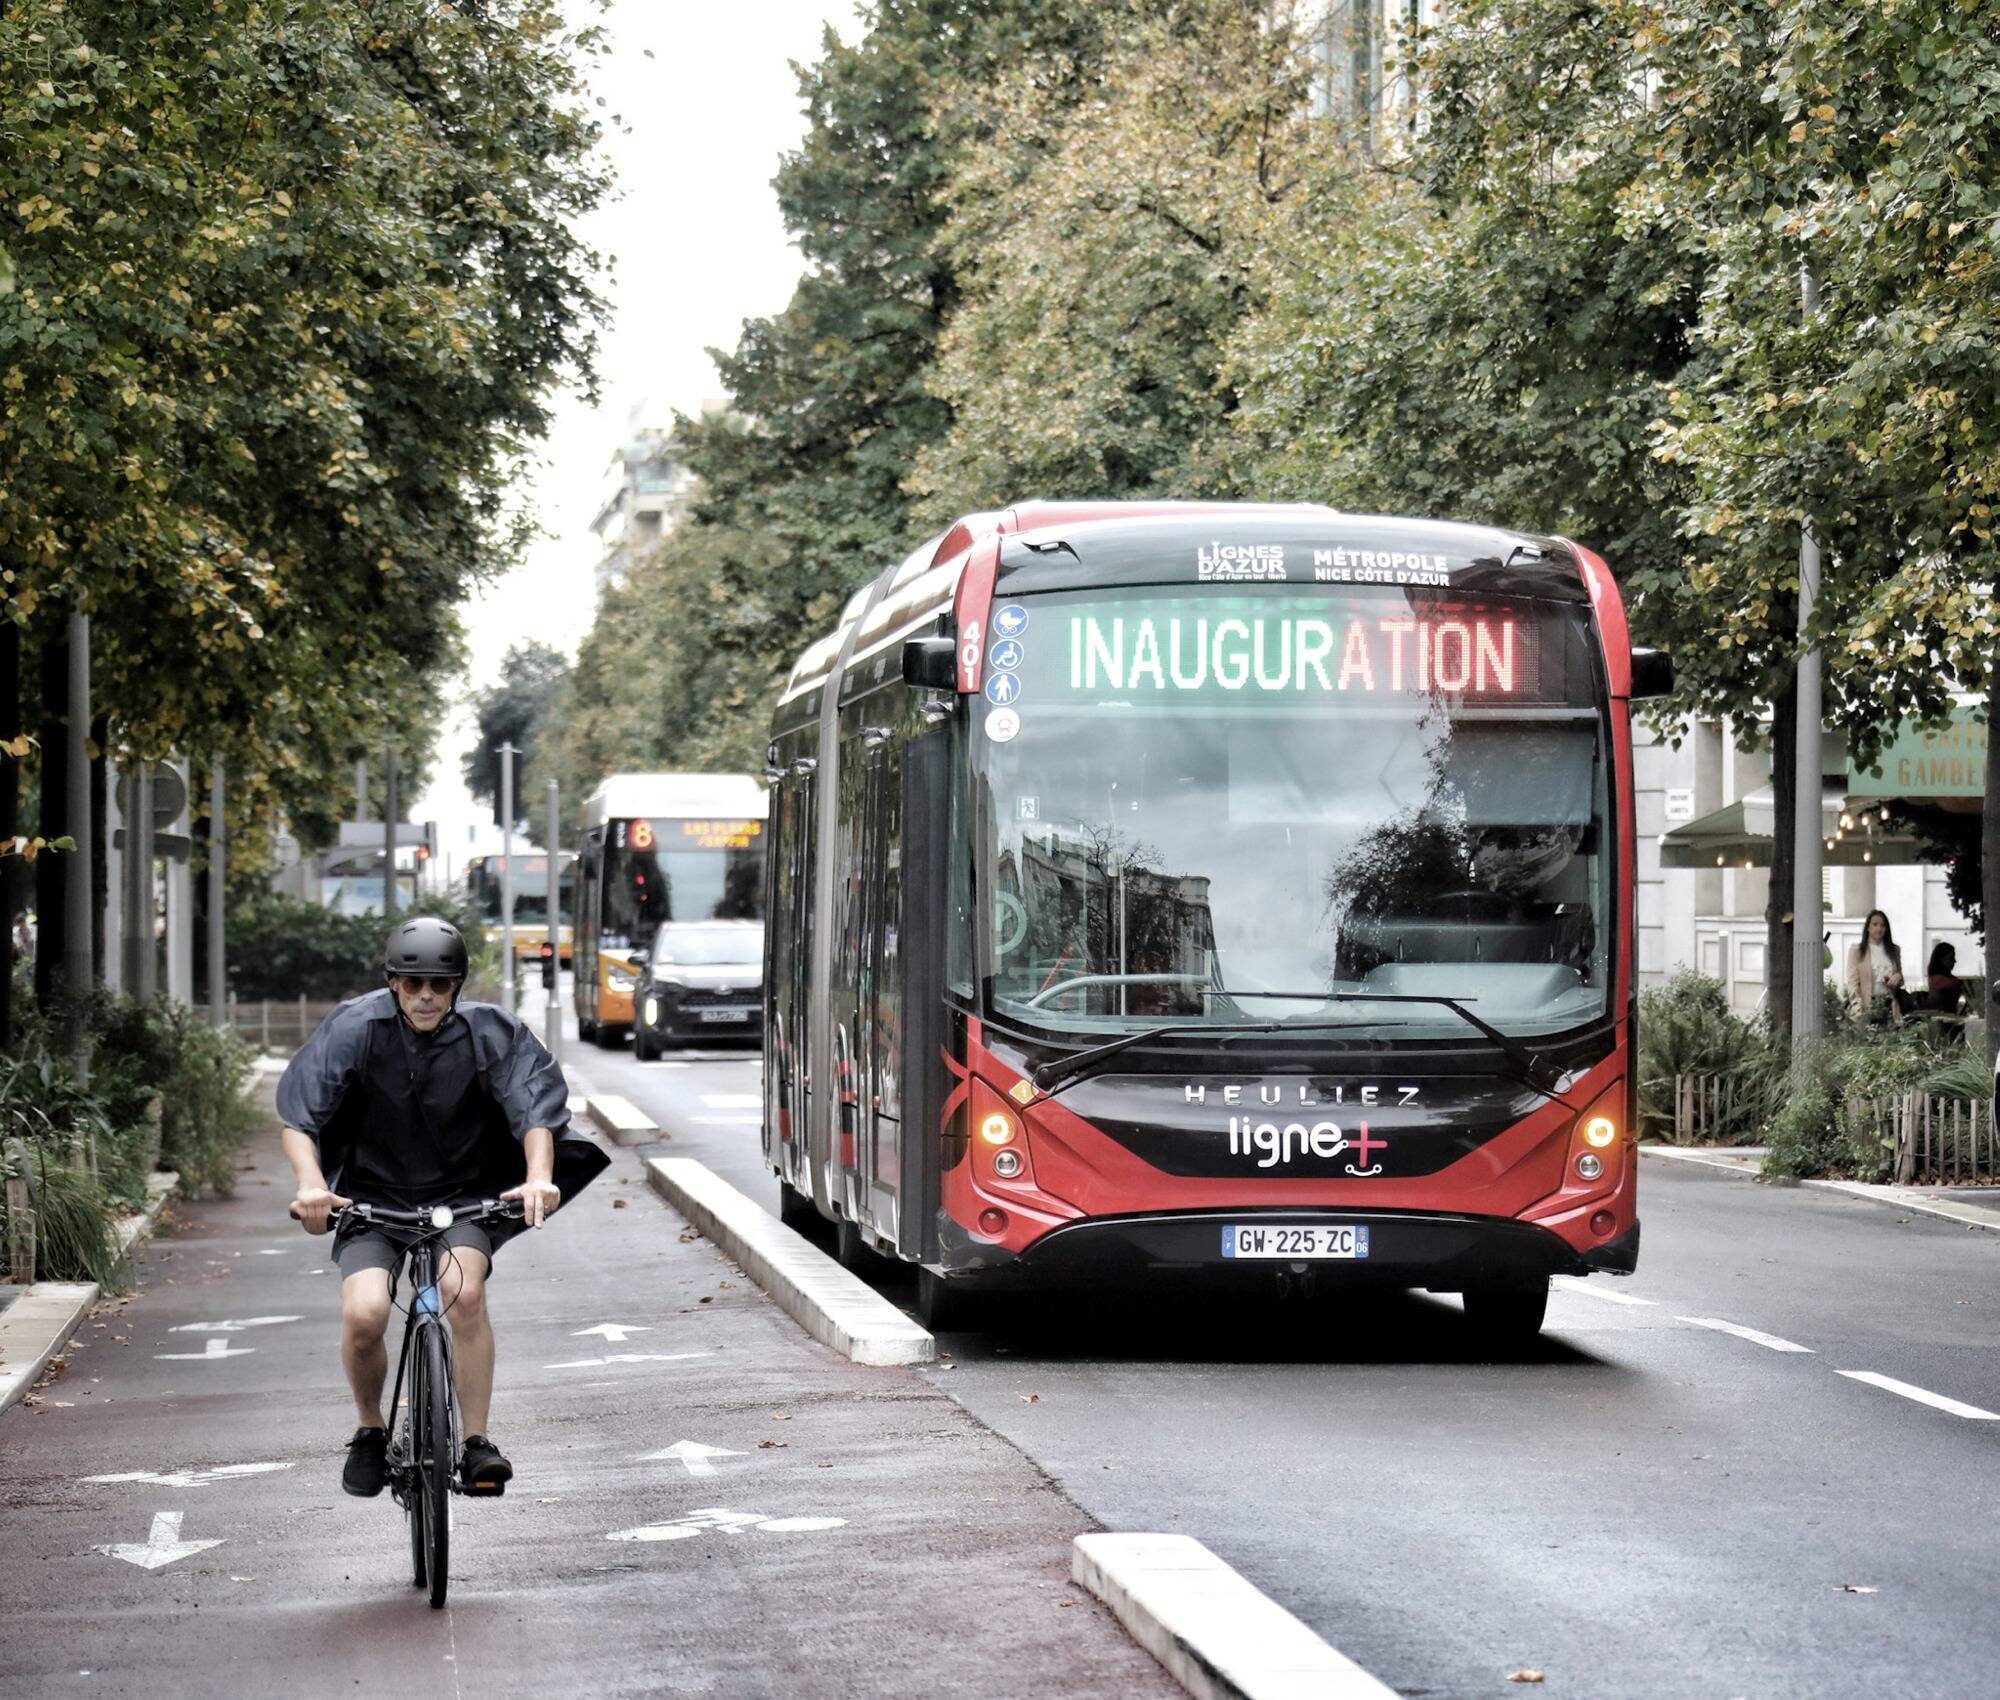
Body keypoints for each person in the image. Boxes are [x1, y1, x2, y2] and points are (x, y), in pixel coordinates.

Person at [279, 916, 608, 1498]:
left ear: (457, 985)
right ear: (392, 983)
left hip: (462, 1202)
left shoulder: (491, 1033)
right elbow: (299, 1120)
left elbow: (534, 1113)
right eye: (412, 984)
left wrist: (538, 1178)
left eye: (439, 983)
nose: (426, 996)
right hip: (370, 1201)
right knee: (365, 1316)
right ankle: (370, 1430)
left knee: (467, 1294)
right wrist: (311, 1186)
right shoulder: (356, 1028)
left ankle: (476, 1441)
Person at [1846, 909, 1910, 1025]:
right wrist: (1857, 1007)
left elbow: (1901, 979)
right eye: (1875, 924)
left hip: (1889, 1004)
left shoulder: (1894, 950)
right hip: (1868, 1005)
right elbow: (1852, 983)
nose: (1879, 929)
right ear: (1868, 927)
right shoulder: (1857, 951)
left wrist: (1897, 977)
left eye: (1883, 925)